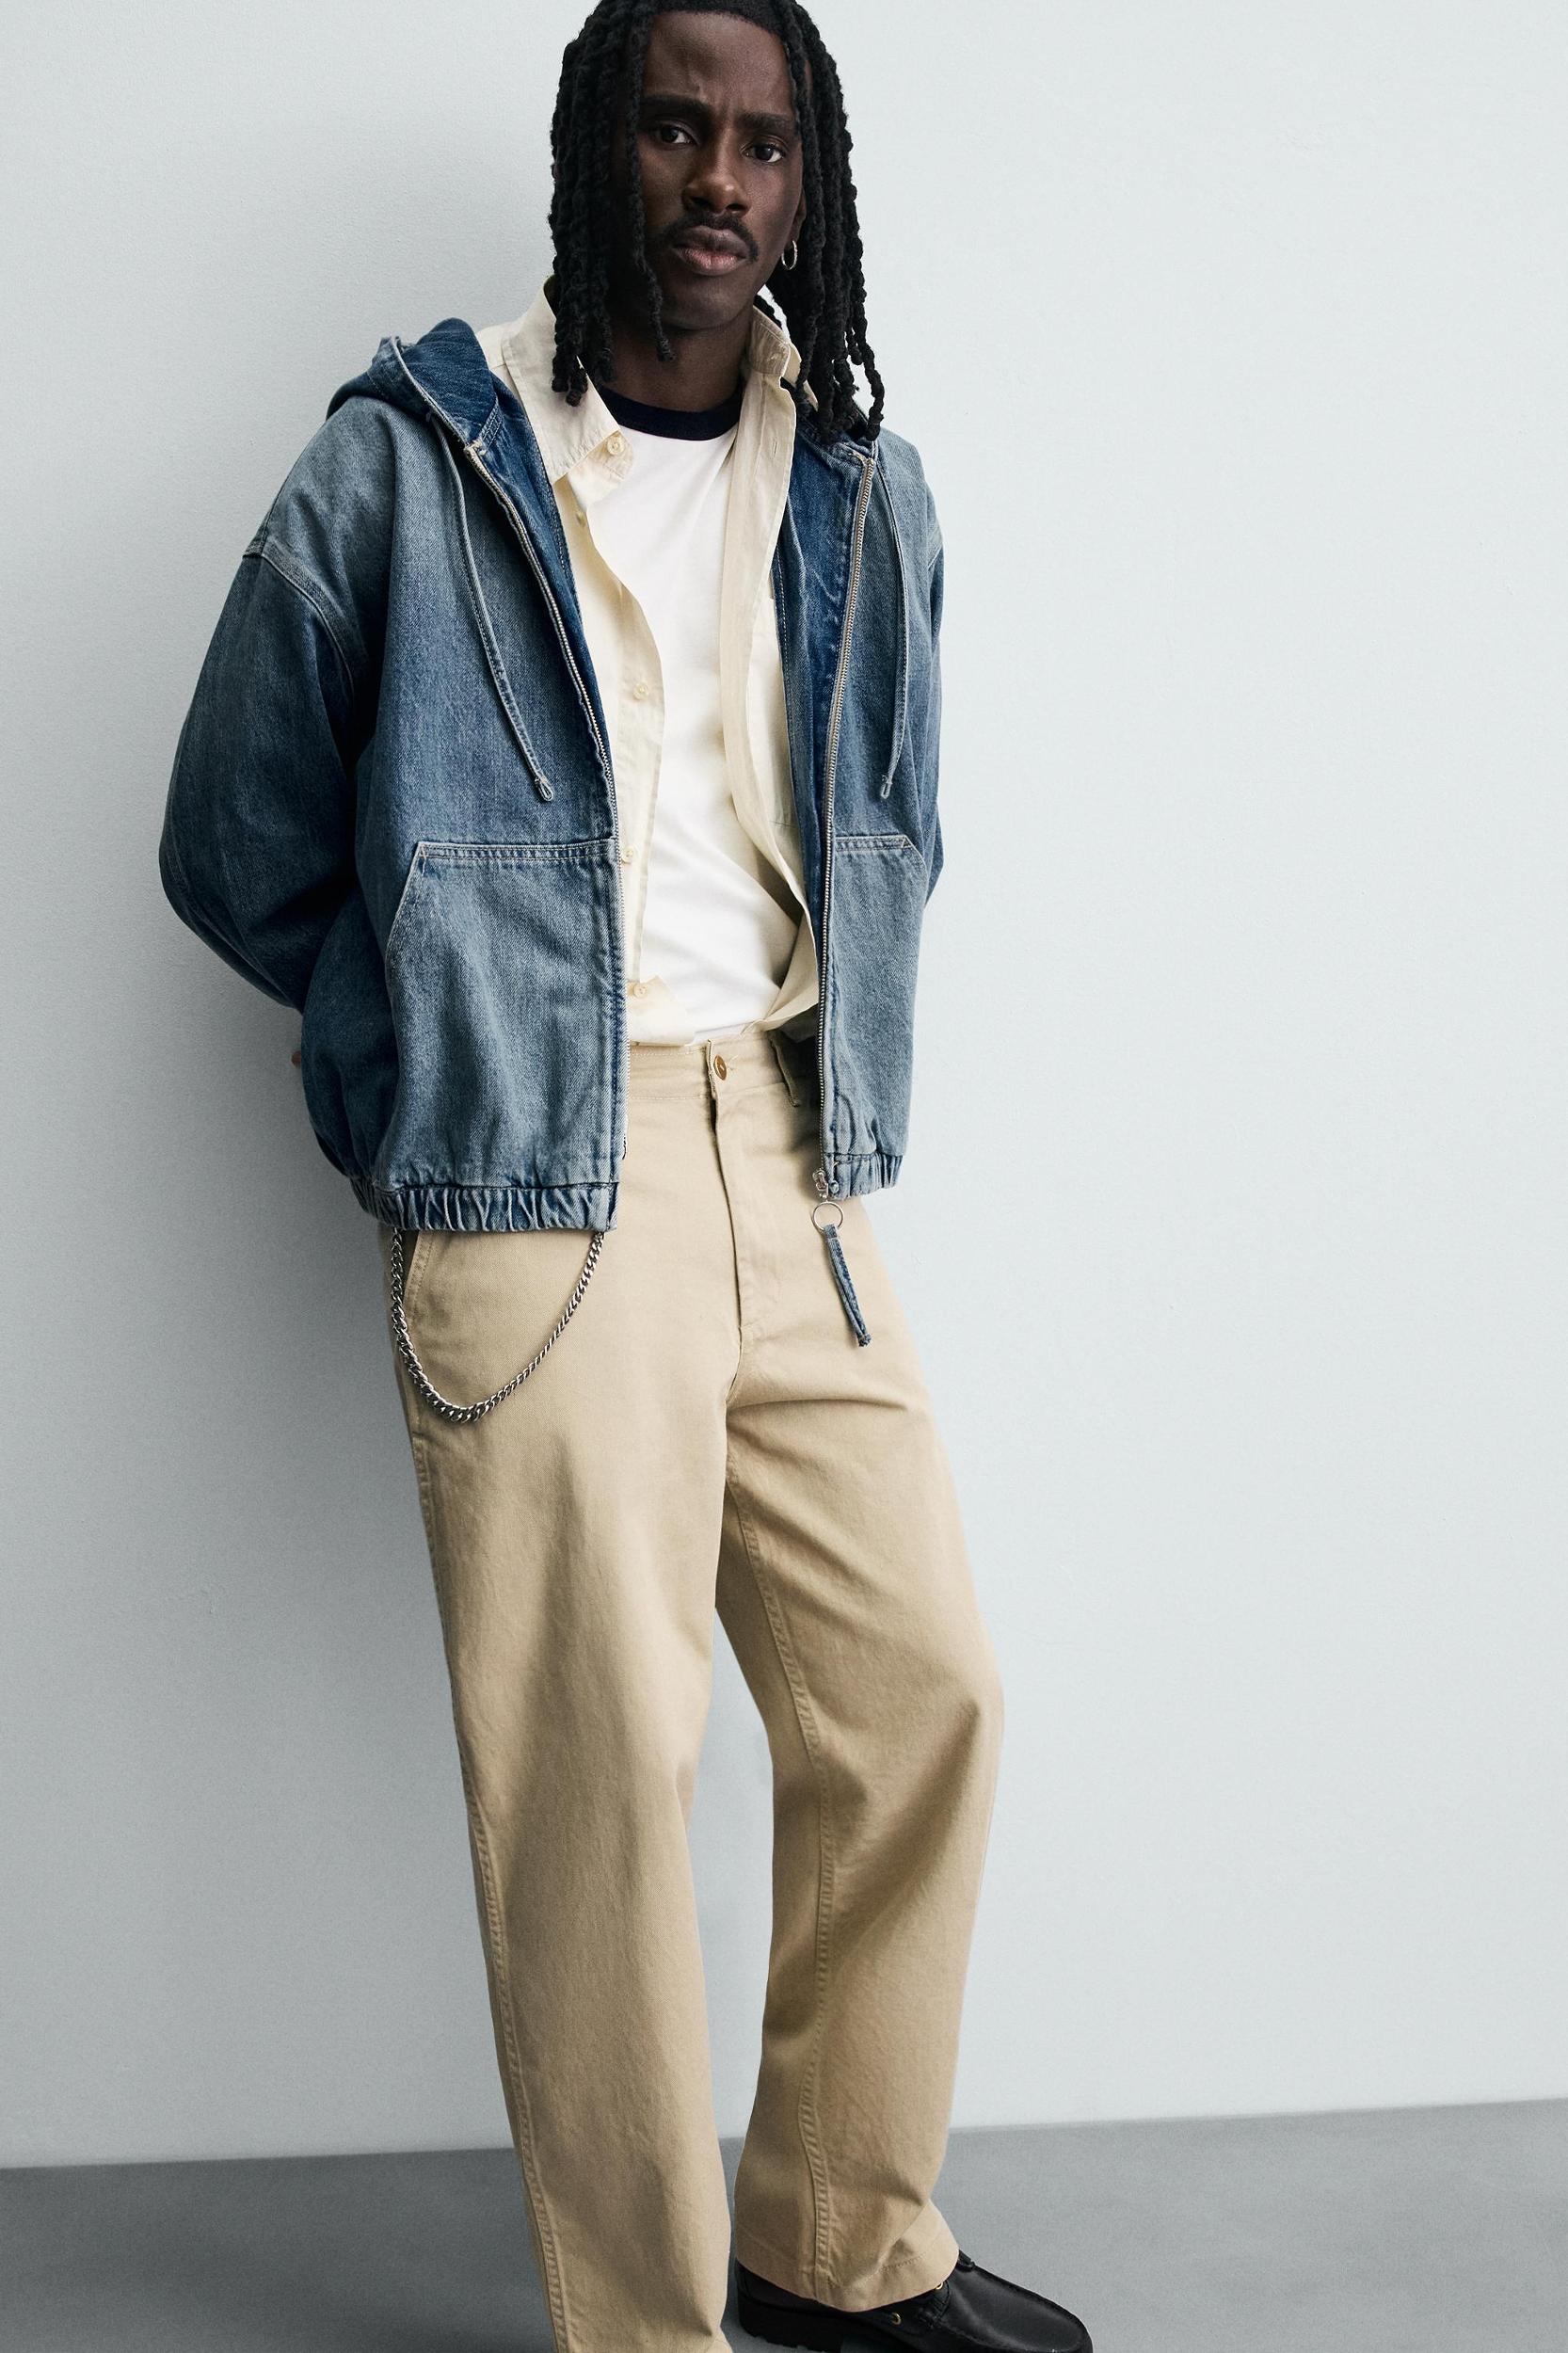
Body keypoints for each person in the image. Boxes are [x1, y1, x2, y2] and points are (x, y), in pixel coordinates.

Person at [159, 4, 1093, 2347]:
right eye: (677, 126)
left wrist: (829, 1077)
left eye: (763, 144)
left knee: (921, 1690)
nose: (719, 180)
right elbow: (231, 839)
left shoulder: (861, 489)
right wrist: (422, 1075)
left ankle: (832, 2236)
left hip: (788, 1156)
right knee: (601, 1773)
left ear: (805, 184)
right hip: (535, 1192)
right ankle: (646, 2326)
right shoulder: (409, 462)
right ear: (600, 145)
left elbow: (895, 821)